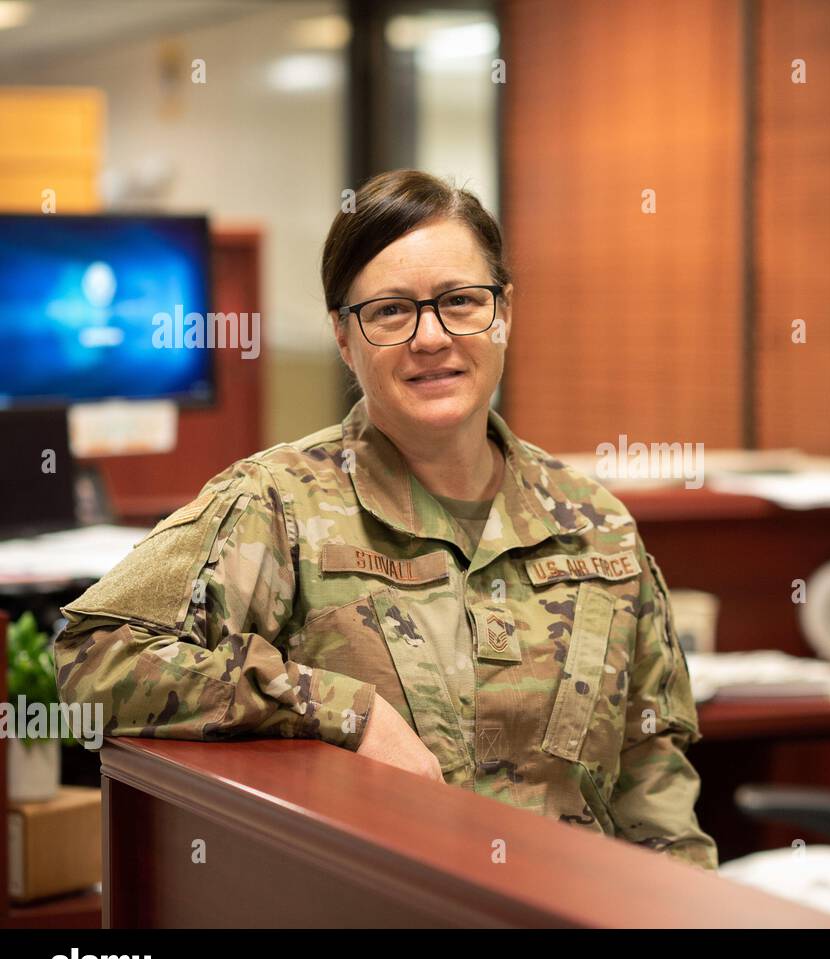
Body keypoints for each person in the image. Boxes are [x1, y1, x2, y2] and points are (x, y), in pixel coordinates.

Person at [53, 169, 718, 871]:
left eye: (461, 301)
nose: (431, 337)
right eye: (391, 312)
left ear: (504, 313)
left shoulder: (595, 523)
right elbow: (93, 659)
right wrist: (340, 709)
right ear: (344, 337)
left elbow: (651, 771)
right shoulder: (278, 506)